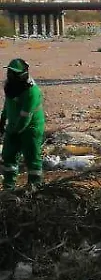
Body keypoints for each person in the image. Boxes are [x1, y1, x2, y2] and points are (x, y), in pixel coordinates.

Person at [1, 59, 45, 190]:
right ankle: (9, 187)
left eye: (14, 73)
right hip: (14, 125)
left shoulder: (31, 91)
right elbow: (8, 104)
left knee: (32, 156)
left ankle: (34, 186)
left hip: (31, 127)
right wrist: (2, 119)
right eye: (9, 72)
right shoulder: (11, 87)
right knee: (8, 155)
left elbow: (26, 117)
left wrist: (16, 132)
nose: (10, 75)